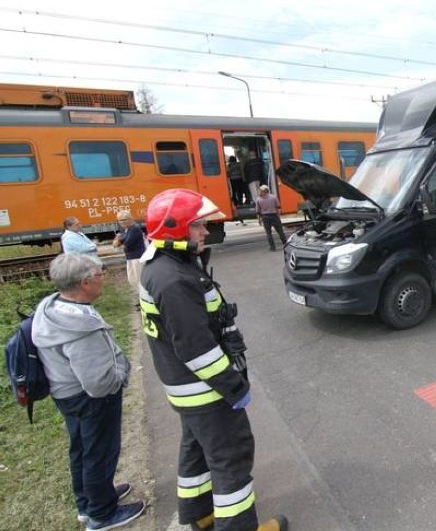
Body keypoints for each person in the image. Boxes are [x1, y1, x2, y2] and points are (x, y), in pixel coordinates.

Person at [139, 188, 287, 531]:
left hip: (186, 392)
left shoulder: (163, 267)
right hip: (206, 392)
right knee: (230, 457)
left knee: (196, 451)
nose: (205, 231)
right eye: (198, 226)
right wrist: (233, 387)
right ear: (175, 229)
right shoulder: (174, 280)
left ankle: (201, 515)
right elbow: (196, 348)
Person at [31, 254, 145, 531]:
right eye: (99, 275)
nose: (102, 278)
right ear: (84, 282)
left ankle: (88, 502)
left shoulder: (52, 307)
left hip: (65, 393)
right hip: (91, 400)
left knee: (81, 450)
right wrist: (121, 372)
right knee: (100, 454)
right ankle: (102, 515)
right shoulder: (79, 327)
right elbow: (99, 383)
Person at [112, 211, 146, 296]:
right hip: (130, 258)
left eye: (124, 219)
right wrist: (118, 241)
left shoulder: (134, 228)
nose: (121, 222)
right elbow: (117, 242)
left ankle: (144, 298)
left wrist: (118, 242)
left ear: (130, 219)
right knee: (132, 280)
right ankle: (141, 297)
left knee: (139, 280)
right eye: (119, 220)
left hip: (137, 258)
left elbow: (126, 244)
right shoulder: (127, 229)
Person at [255, 185, 287, 251]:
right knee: (280, 232)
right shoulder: (273, 197)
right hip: (274, 216)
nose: (259, 192)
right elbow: (278, 207)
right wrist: (278, 216)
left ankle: (272, 247)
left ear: (263, 191)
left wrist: (259, 220)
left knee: (268, 233)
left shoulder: (258, 199)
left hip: (265, 217)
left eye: (260, 191)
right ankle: (286, 244)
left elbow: (258, 211)